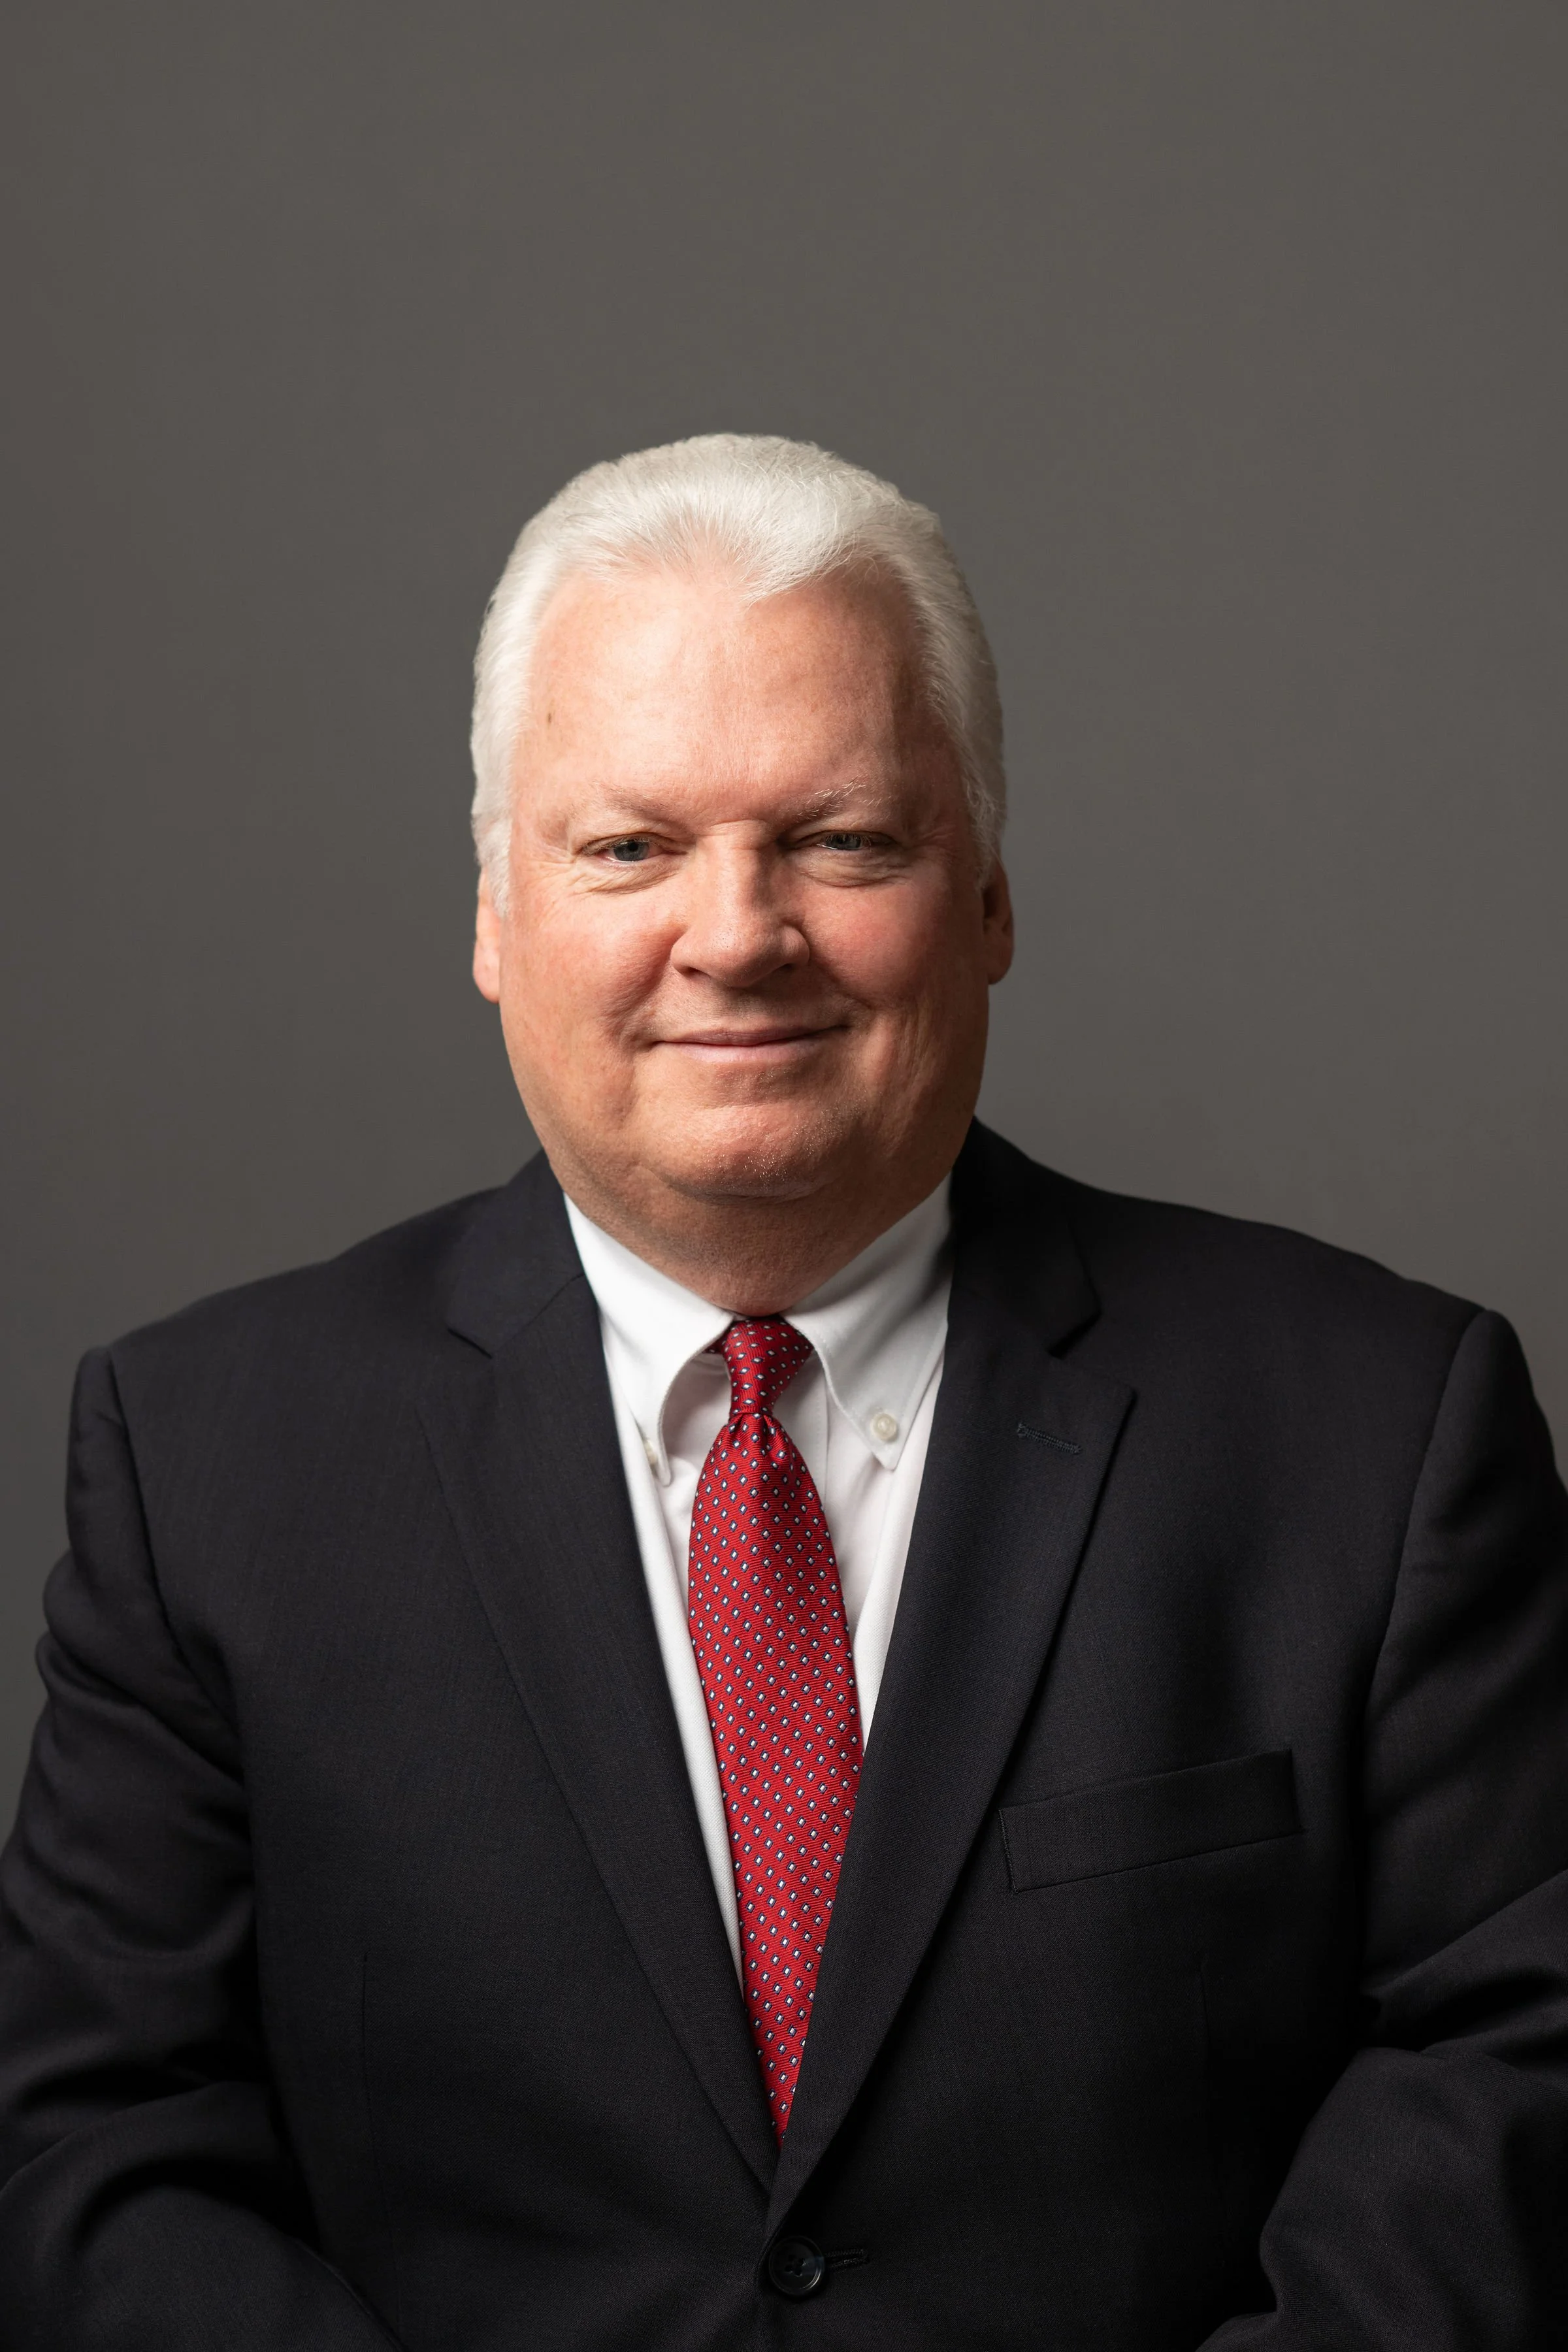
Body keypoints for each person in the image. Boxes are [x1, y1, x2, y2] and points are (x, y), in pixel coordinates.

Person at [0, 434, 1564, 2351]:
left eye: (841, 840)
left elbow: (1514, 2057)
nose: (735, 936)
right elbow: (95, 2145)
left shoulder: (1380, 1430)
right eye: (629, 846)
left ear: (986, 896)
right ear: (497, 918)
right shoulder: (206, 1462)